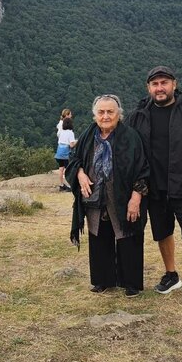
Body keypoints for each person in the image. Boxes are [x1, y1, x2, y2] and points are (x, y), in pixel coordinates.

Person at [126, 66, 182, 306]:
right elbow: (125, 147)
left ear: (174, 84)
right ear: (149, 88)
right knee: (163, 233)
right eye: (155, 84)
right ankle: (171, 274)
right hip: (155, 189)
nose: (160, 88)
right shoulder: (139, 115)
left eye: (164, 82)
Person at [66, 94, 149, 297]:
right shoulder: (88, 135)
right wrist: (80, 173)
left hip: (123, 197)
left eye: (110, 112)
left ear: (118, 114)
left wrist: (135, 198)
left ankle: (130, 283)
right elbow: (74, 158)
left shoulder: (130, 137)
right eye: (101, 112)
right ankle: (103, 280)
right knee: (99, 237)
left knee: (128, 236)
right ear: (95, 116)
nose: (105, 116)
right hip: (95, 196)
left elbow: (143, 169)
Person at [54, 117, 76, 191]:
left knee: (61, 169)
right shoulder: (70, 133)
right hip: (66, 154)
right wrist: (78, 141)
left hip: (59, 153)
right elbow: (71, 145)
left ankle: (61, 185)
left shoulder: (61, 132)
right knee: (68, 170)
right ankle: (70, 186)